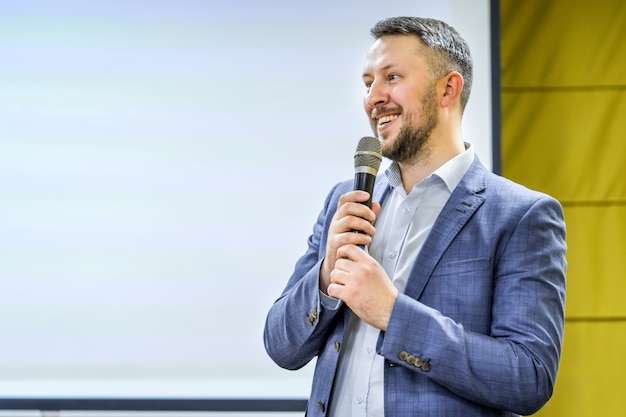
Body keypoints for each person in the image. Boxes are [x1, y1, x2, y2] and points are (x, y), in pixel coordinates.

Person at [263, 16, 566, 417]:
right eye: (368, 82)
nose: (373, 97)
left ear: (448, 89)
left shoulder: (521, 215)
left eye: (392, 77)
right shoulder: (346, 200)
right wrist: (324, 275)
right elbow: (281, 347)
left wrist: (392, 313)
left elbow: (528, 376)